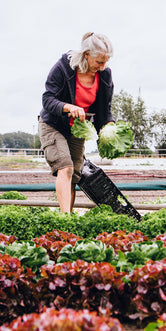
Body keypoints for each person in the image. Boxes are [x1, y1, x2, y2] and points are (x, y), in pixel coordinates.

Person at [38, 32, 115, 213]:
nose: (103, 67)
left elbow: (105, 111)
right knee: (65, 167)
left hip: (78, 128)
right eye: (99, 62)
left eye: (106, 62)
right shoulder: (64, 67)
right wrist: (68, 107)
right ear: (86, 54)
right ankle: (65, 220)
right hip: (53, 124)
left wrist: (109, 127)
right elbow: (47, 99)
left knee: (74, 175)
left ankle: (68, 217)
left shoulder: (104, 76)